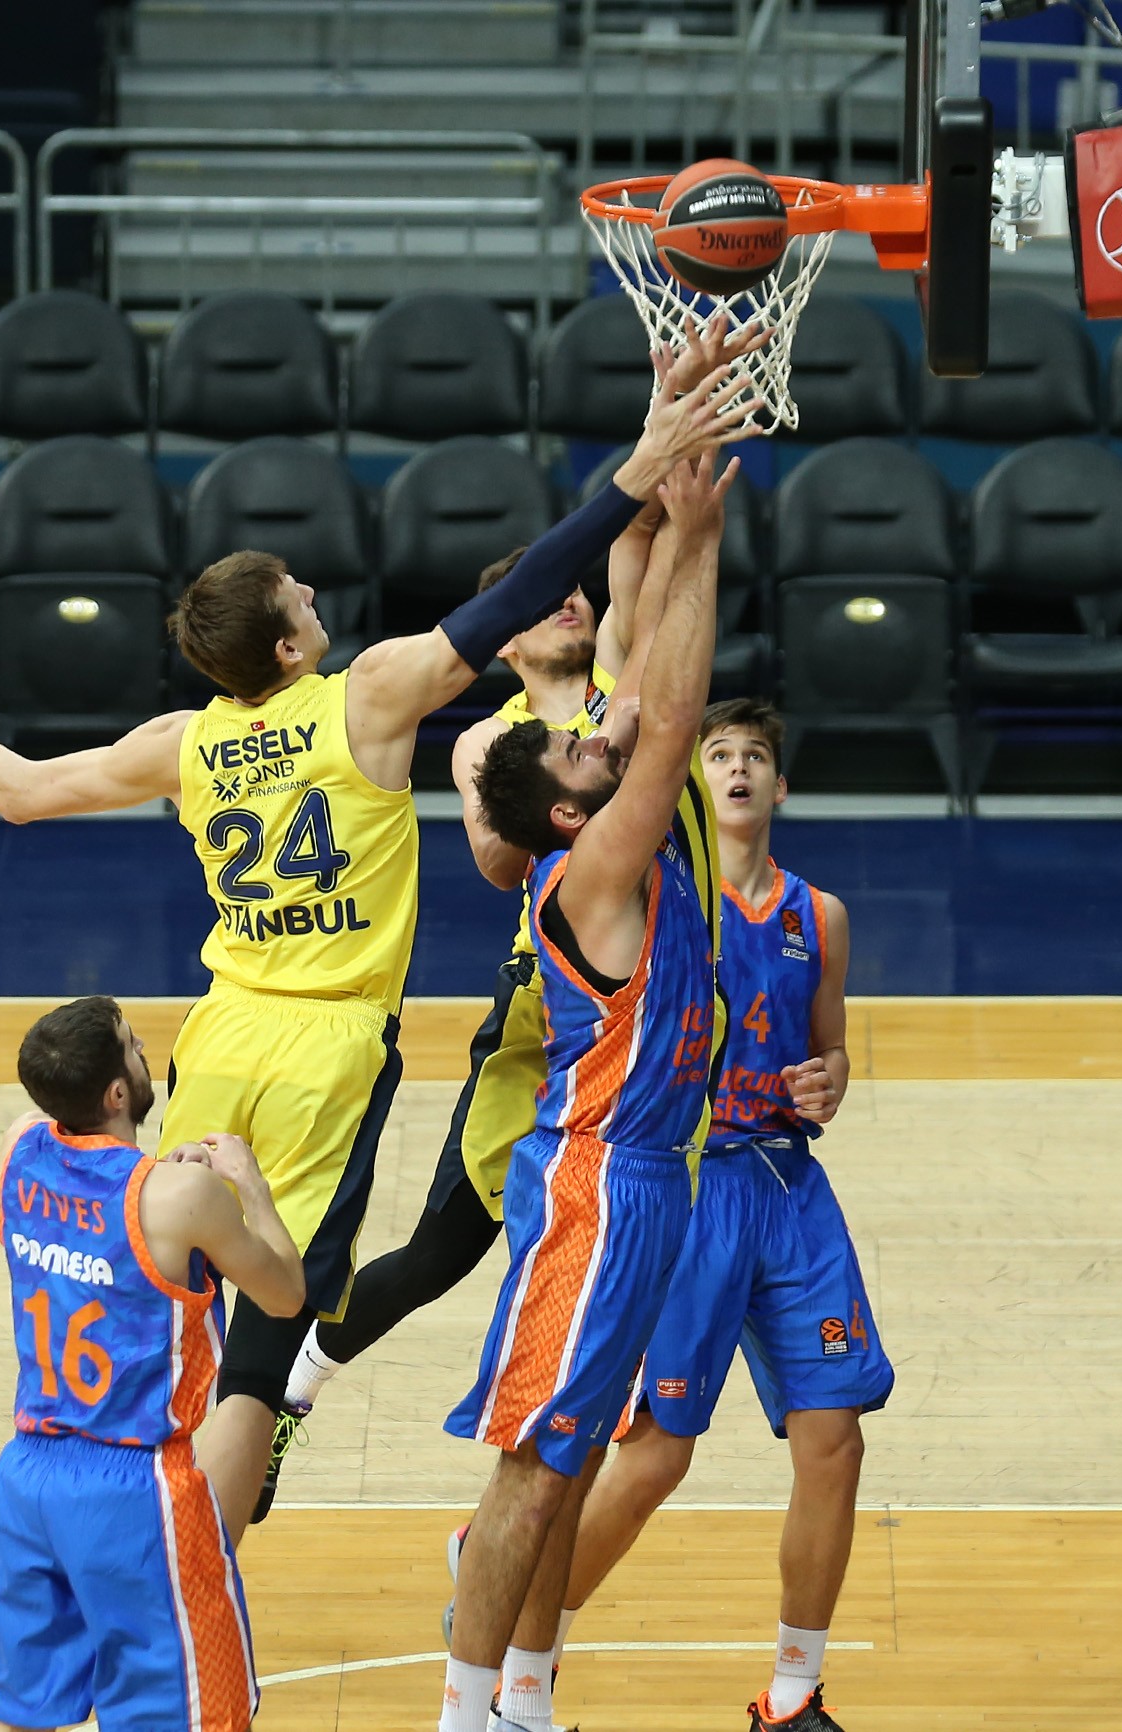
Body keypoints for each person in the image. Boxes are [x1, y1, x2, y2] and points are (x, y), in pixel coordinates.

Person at [0, 329, 754, 1542]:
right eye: (297, 596)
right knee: (270, 1342)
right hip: (322, 1053)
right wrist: (633, 475)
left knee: (184, 1288)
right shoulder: (362, 700)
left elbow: (15, 789)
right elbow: (511, 603)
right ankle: (191, 1573)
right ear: (284, 645)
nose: (315, 595)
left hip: (218, 1034)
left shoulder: (182, 741)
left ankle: (128, 1476)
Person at [268, 498, 670, 1507]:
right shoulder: (487, 739)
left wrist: (657, 471)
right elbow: (497, 862)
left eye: (572, 592)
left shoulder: (619, 678)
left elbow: (631, 576)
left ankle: (614, 1423)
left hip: (649, 1009)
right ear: (508, 638)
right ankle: (293, 1387)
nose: (567, 605)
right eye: (543, 600)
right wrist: (570, 781)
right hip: (542, 1020)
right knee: (441, 1252)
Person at [435, 448, 737, 1732]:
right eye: (574, 748)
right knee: (529, 1468)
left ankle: (522, 1701)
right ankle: (460, 1714)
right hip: (597, 1188)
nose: (591, 731)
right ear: (567, 815)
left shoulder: (586, 816)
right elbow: (667, 719)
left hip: (653, 1182)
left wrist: (668, 513)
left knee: (565, 1467)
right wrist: (707, 528)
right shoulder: (595, 870)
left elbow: (636, 673)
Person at [557, 699, 894, 1732]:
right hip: (690, 1187)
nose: (738, 769)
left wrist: (827, 1083)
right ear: (693, 785)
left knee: (833, 1442)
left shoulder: (818, 915)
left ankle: (792, 1695)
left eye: (754, 756)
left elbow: (830, 1046)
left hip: (788, 1191)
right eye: (718, 755)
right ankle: (521, 1614)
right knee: (656, 1453)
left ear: (779, 787)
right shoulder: (658, 900)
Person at [0, 997, 303, 1732]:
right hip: (135, 1492)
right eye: (132, 1043)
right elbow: (285, 1295)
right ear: (119, 1092)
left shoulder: (17, 1149)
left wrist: (163, 1176)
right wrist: (246, 1184)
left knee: (24, 1716)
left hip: (28, 1480)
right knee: (196, 1716)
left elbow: (88, 1195)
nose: (142, 1046)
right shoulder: (181, 1194)